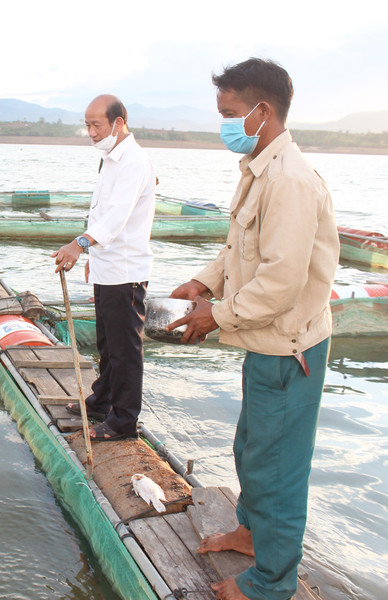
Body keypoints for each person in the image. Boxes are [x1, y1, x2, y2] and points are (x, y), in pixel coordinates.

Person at [167, 58, 339, 600]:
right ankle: (249, 533)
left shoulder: (289, 180)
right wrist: (202, 283)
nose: (224, 125)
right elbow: (237, 251)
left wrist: (214, 315)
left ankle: (271, 583)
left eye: (230, 114)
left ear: (262, 112)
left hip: (292, 351)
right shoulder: (259, 169)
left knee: (279, 469)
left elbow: (280, 282)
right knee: (251, 449)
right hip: (264, 343)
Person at [51, 94, 156, 442]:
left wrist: (79, 244)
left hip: (125, 272)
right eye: (88, 125)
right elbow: (99, 212)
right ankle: (103, 398)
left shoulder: (134, 162)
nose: (91, 132)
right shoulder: (110, 159)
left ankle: (123, 421)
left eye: (96, 124)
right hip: (106, 267)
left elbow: (116, 217)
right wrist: (92, 259)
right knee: (107, 343)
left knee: (125, 348)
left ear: (119, 122)